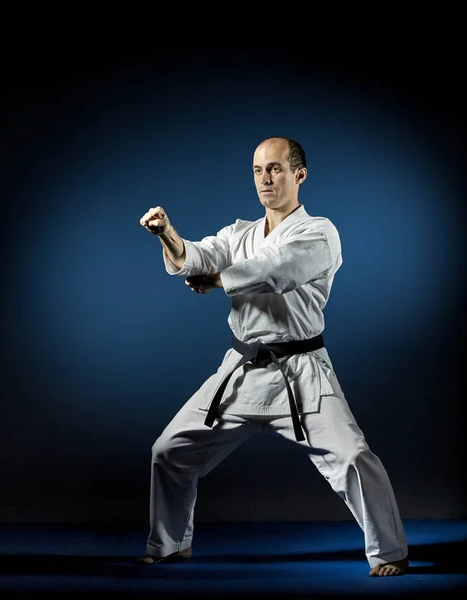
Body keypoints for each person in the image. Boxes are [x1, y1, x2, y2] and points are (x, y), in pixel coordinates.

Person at [137, 136, 409, 577]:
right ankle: (169, 545)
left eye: (276, 169)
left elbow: (277, 271)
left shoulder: (319, 232)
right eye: (259, 171)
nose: (265, 179)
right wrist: (168, 234)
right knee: (169, 451)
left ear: (299, 175)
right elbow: (198, 256)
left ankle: (389, 550)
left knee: (355, 458)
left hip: (300, 373)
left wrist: (217, 280)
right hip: (241, 370)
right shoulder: (239, 234)